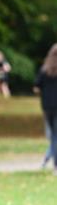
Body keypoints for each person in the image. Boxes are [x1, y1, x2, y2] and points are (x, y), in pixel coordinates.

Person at [34, 44, 57, 175]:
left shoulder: (44, 70)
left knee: (54, 136)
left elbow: (36, 87)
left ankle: (53, 163)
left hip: (47, 106)